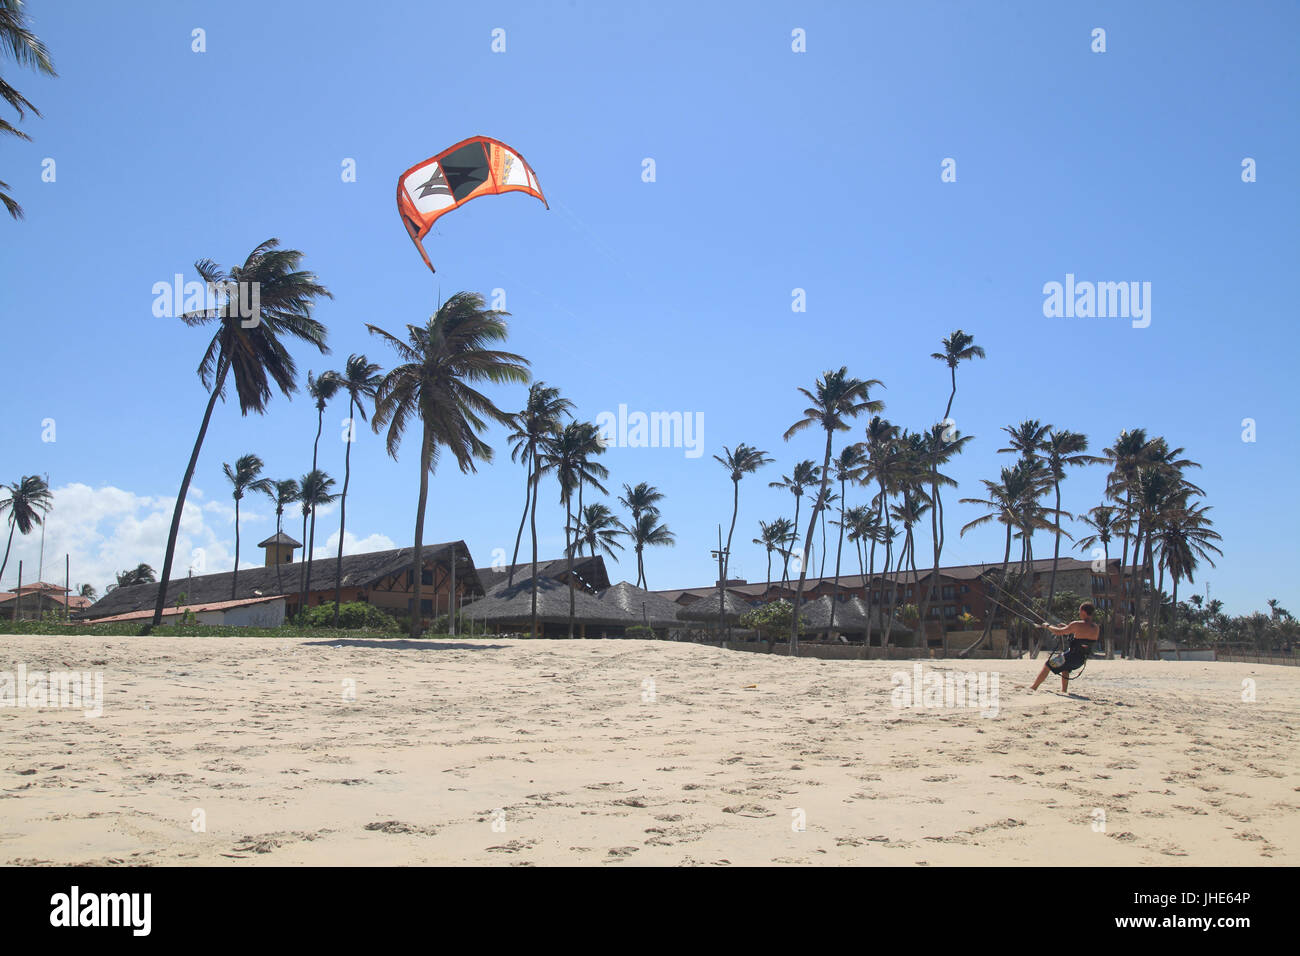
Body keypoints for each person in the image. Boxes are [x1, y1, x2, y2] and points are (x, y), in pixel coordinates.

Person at [1029, 603, 1100, 692]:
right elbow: (1082, 636)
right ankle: (1064, 690)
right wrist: (1067, 627)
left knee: (1048, 665)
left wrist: (1047, 626)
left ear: (1083, 611)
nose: (1079, 613)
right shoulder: (1096, 627)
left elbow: (1059, 632)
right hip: (1081, 660)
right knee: (1065, 668)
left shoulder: (1076, 624)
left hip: (1071, 657)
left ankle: (1034, 687)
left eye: (1079, 611)